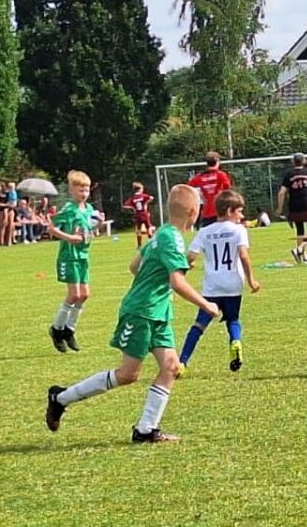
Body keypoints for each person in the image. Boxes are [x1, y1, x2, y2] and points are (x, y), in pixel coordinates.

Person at [45, 185, 221, 443]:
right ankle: (60, 398)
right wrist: (206, 305)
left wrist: (156, 276)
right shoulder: (172, 238)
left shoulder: (162, 233)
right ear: (193, 212)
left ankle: (146, 429)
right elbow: (177, 282)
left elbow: (134, 265)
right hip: (141, 312)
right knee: (128, 374)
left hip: (158, 312)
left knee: (171, 367)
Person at [177, 190, 261, 375]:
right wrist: (251, 280)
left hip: (212, 286)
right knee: (232, 319)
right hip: (233, 285)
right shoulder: (239, 230)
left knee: (199, 325)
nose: (242, 216)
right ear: (230, 211)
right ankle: (236, 342)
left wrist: (188, 265)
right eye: (239, 211)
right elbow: (243, 255)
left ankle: (182, 362)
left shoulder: (205, 232)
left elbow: (191, 256)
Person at [47, 171, 95, 353]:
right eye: (80, 190)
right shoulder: (69, 209)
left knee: (84, 295)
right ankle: (57, 330)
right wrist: (69, 237)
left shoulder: (88, 209)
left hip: (83, 256)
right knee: (74, 294)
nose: (84, 193)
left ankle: (69, 330)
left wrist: (96, 227)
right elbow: (51, 228)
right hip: (69, 256)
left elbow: (86, 229)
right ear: (72, 191)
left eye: (87, 190)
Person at [276, 153, 307, 264]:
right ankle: (300, 249)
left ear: (293, 162)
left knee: (300, 231)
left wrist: (280, 208)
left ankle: (302, 256)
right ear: (303, 161)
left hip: (294, 205)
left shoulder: (288, 174)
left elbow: (282, 193)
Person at [188, 152, 232, 228]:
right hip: (219, 210)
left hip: (206, 212)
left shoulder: (199, 177)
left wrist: (200, 196)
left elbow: (188, 187)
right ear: (217, 162)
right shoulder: (221, 175)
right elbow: (227, 187)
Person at [123, 181, 156, 248]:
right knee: (148, 228)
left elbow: (125, 205)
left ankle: (139, 245)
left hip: (137, 215)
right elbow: (151, 198)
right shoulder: (143, 196)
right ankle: (151, 243)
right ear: (140, 189)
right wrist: (146, 203)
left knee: (138, 229)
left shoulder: (133, 198)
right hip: (144, 213)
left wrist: (133, 208)